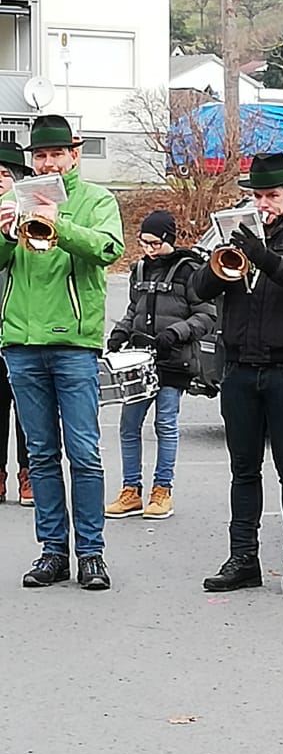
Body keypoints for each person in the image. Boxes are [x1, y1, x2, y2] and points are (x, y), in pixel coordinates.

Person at [193, 153, 283, 595]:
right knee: (243, 469)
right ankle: (243, 559)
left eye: (272, 195)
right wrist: (221, 258)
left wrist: (265, 257)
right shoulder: (234, 237)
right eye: (257, 196)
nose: (264, 203)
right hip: (239, 368)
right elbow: (199, 288)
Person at [0, 115, 123, 589]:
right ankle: (52, 551)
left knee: (84, 454)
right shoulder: (13, 199)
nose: (48, 162)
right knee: (41, 454)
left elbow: (109, 249)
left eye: (56, 154)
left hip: (73, 344)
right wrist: (4, 234)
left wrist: (60, 224)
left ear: (74, 155)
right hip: (21, 344)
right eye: (41, 155)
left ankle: (91, 553)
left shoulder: (96, 200)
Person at [104, 209, 217, 522]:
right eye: (144, 243)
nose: (149, 250)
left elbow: (206, 316)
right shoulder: (139, 269)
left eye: (155, 243)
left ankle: (162, 491)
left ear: (169, 239)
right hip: (140, 360)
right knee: (128, 426)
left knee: (165, 425)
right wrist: (121, 331)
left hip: (174, 359)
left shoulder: (190, 270)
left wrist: (176, 333)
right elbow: (134, 309)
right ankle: (130, 491)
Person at [0, 141, 32, 505]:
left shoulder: (31, 217)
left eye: (5, 174)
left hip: (21, 329)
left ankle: (28, 474)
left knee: (27, 412)